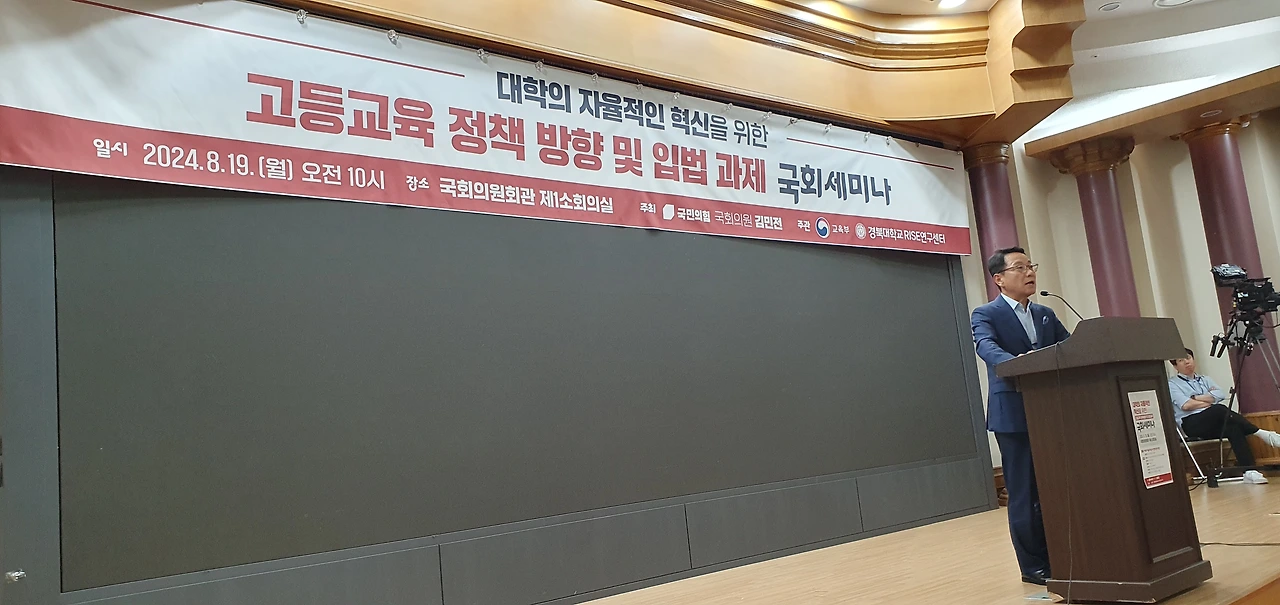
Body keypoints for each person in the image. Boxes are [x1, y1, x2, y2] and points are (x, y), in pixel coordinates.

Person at [971, 247, 1070, 586]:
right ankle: (1033, 566)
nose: (1030, 272)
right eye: (1020, 267)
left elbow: (1071, 348)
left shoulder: (1045, 313)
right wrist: (1021, 364)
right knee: (1025, 492)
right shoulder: (986, 313)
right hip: (1013, 414)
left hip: (1051, 412)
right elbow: (987, 348)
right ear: (999, 278)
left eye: (1031, 266)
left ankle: (1063, 554)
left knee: (1054, 487)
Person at [1168, 348, 1280, 484]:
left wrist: (1195, 397)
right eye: (1181, 360)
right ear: (1175, 366)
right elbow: (1186, 405)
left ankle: (1249, 471)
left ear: (1193, 359)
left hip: (1212, 419)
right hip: (1191, 423)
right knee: (1219, 409)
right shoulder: (1172, 384)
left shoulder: (1205, 379)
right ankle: (1262, 433)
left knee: (1233, 428)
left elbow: (1220, 395)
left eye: (1188, 358)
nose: (1187, 362)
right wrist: (1208, 401)